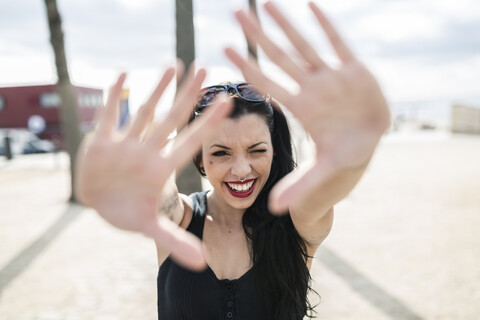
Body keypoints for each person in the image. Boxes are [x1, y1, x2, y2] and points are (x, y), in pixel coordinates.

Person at [75, 2, 390, 320]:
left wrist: (353, 157)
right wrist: (122, 182)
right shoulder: (179, 219)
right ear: (199, 159)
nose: (241, 169)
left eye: (256, 150)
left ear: (275, 150)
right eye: (220, 153)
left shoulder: (297, 220)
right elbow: (155, 197)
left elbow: (329, 185)